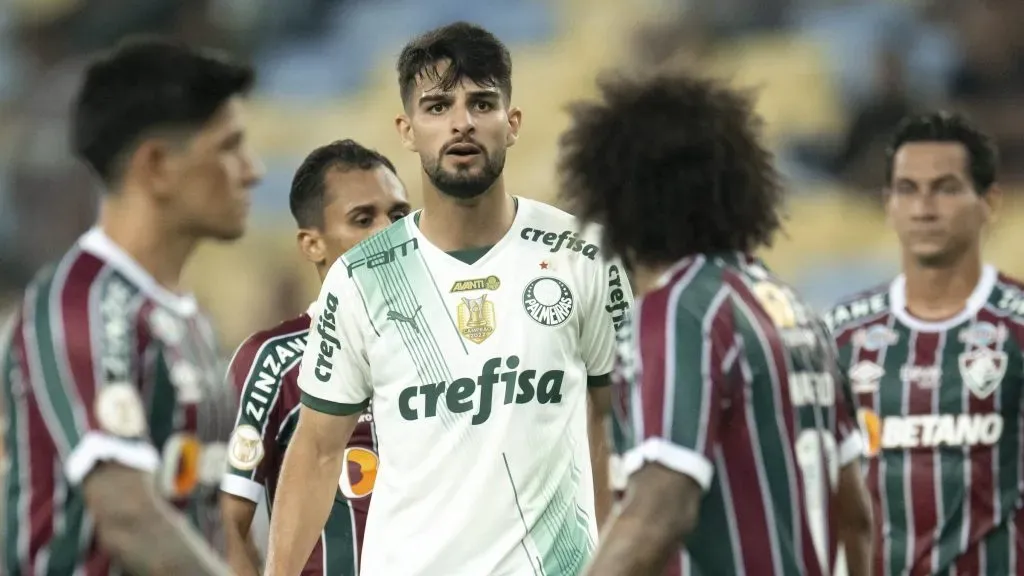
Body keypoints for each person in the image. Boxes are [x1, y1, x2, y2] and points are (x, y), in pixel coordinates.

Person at [265, 22, 633, 576]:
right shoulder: (359, 278)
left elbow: (616, 425)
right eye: (437, 107)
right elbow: (317, 451)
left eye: (481, 103)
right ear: (407, 129)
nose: (461, 122)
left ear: (512, 124)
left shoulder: (582, 254)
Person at [561, 70, 874, 576]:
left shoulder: (679, 314)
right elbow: (856, 516)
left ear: (617, 195)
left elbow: (660, 509)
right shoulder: (794, 311)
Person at [0, 36, 263, 575]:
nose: (252, 170)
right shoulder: (86, 306)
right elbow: (128, 516)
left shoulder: (180, 313)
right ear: (159, 166)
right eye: (229, 147)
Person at [825, 111, 1024, 576]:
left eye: (947, 188)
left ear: (989, 203)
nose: (924, 207)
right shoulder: (841, 335)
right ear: (889, 204)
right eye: (908, 190)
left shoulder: (1017, 327)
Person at [219, 139, 411, 575]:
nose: (389, 233)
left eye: (399, 216)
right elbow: (225, 521)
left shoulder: (451, 352)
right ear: (312, 245)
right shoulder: (273, 361)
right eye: (363, 219)